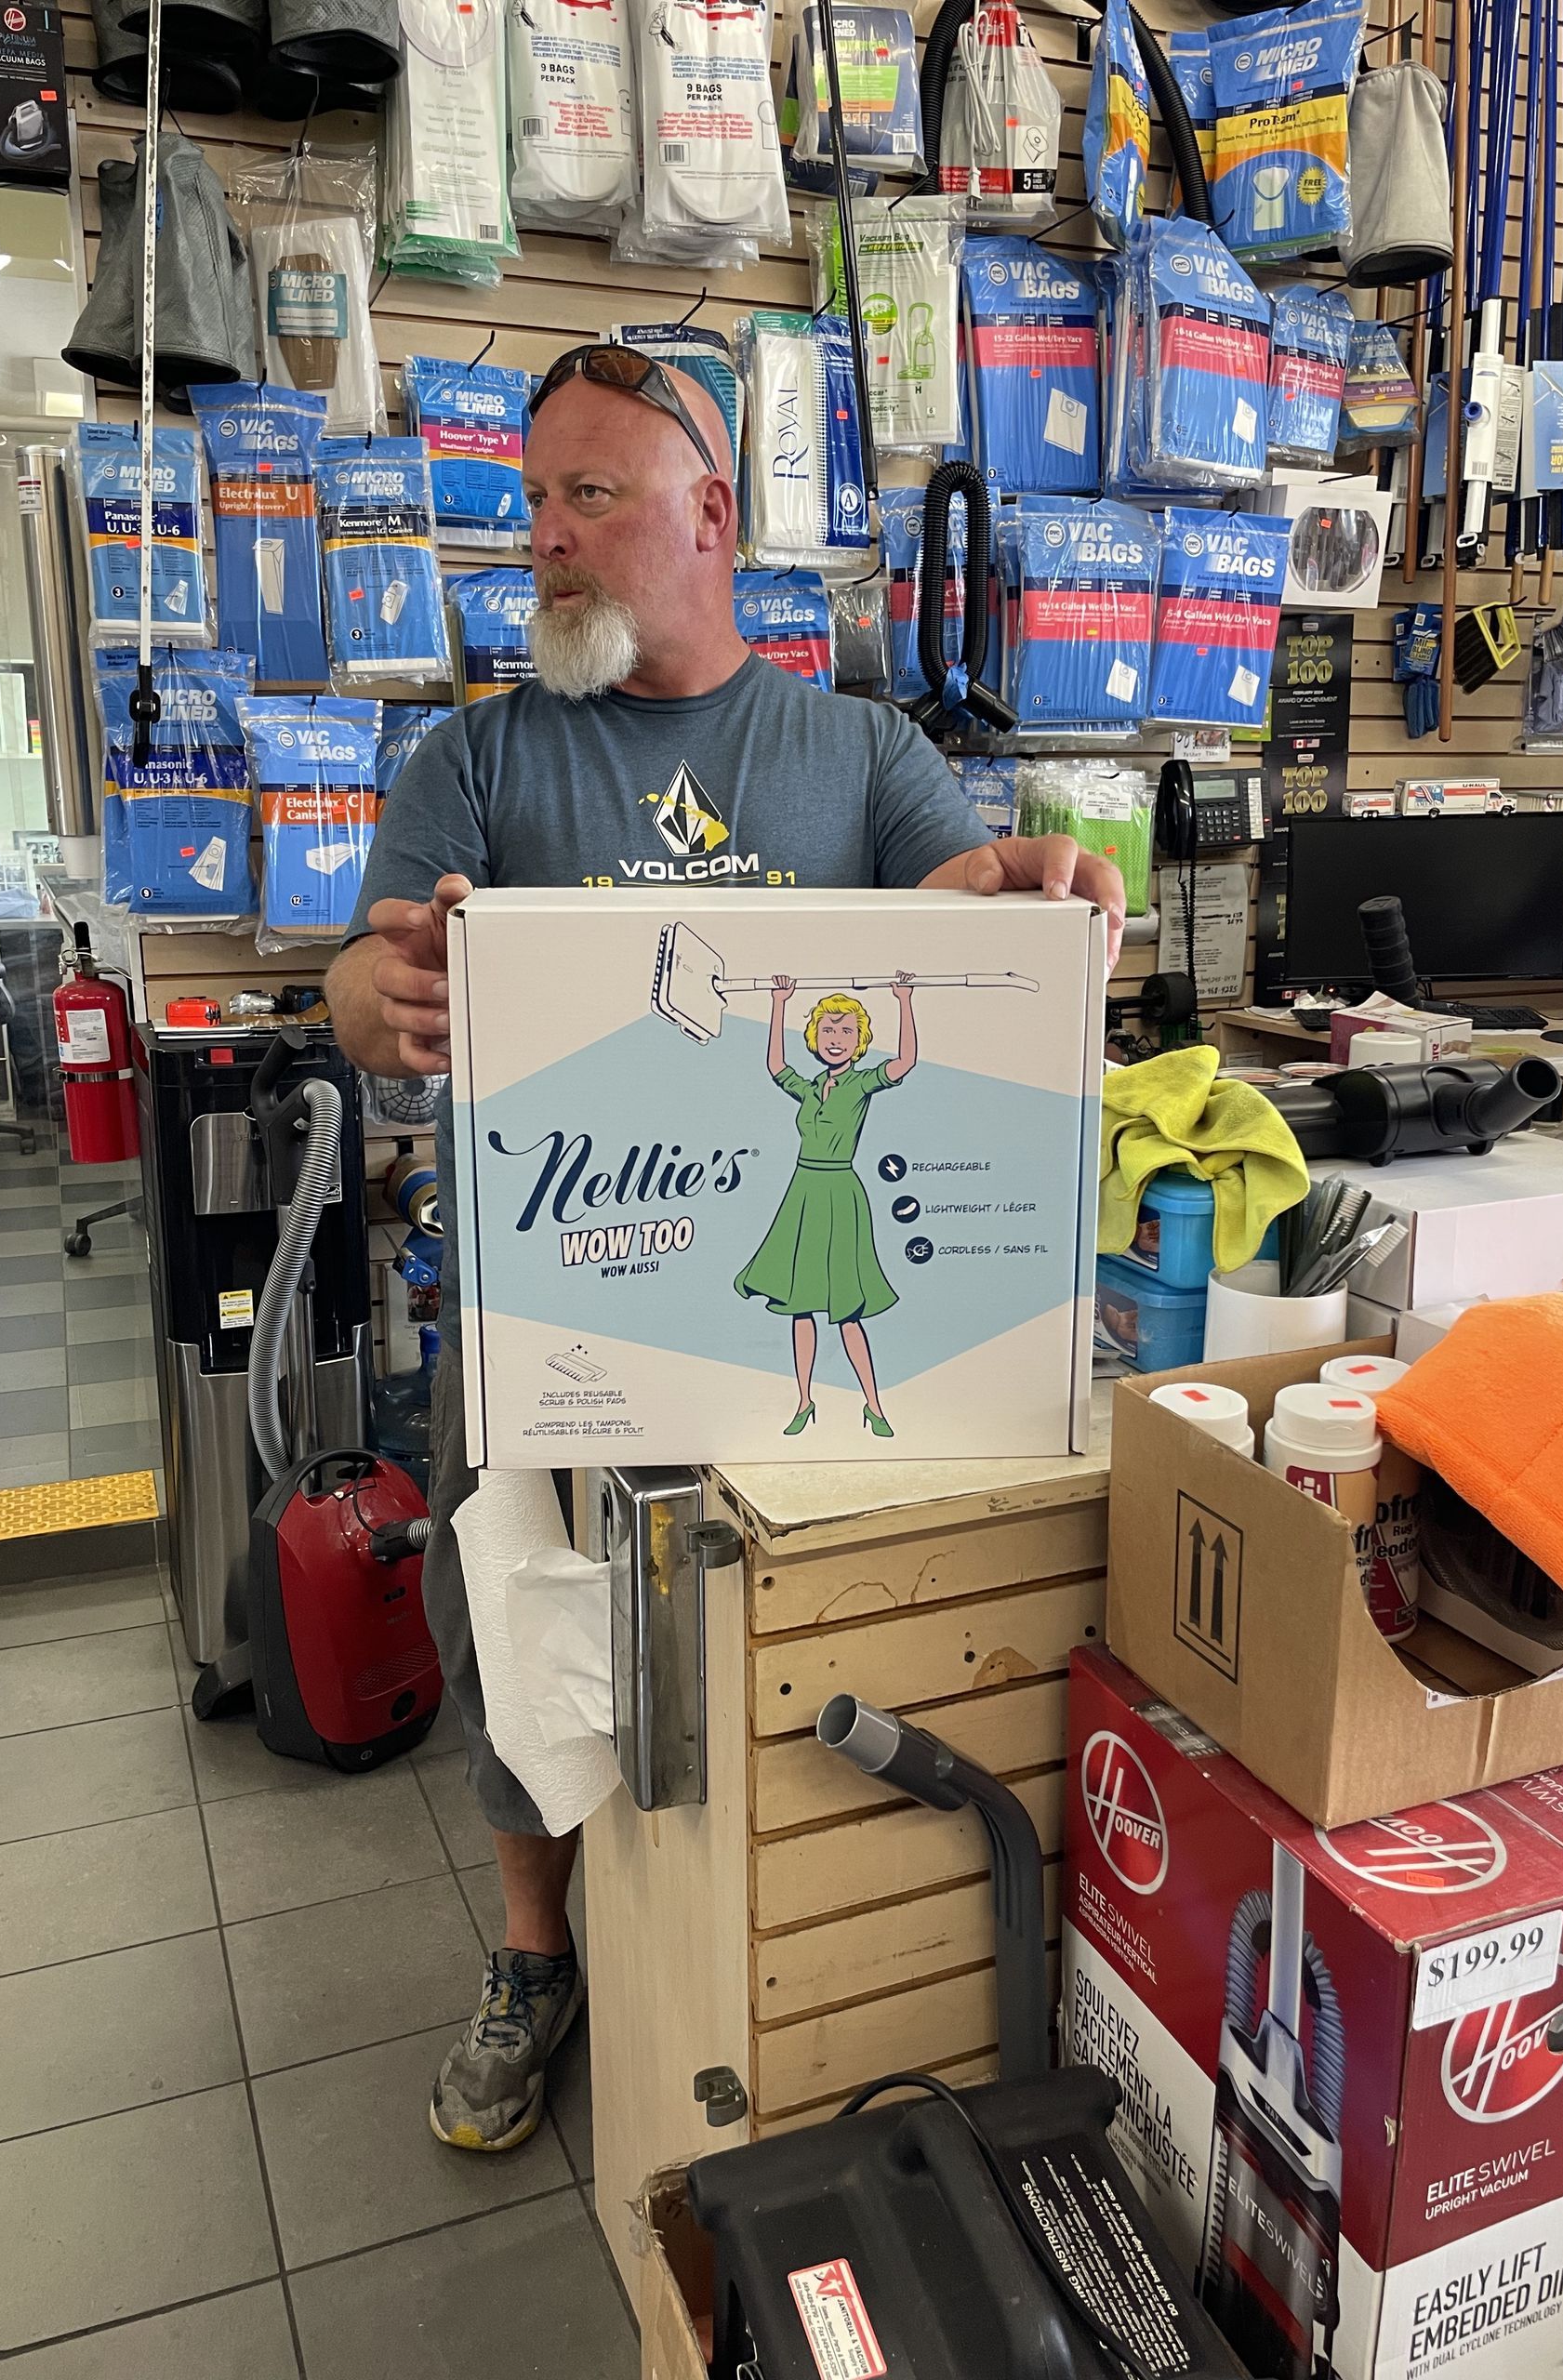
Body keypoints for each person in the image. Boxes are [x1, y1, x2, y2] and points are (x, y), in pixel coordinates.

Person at [326, 344, 1126, 2157]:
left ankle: (759, 1951)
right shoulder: (475, 754)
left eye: (588, 498)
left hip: (778, 1299)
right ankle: (538, 1949)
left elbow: (958, 920)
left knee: (765, 1640)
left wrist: (1030, 910)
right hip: (546, 1305)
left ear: (715, 515)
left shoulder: (859, 751)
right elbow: (363, 991)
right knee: (518, 1625)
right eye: (533, 501)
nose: (544, 540)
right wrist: (374, 994)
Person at [735, 975, 918, 1439]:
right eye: (829, 1032)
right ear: (815, 1039)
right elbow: (776, 1064)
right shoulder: (812, 1087)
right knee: (801, 1305)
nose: (837, 1041)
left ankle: (874, 1405)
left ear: (859, 1042)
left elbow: (905, 1062)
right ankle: (803, 1401)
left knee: (846, 1309)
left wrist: (904, 1001)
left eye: (847, 1032)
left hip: (839, 1194)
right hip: (803, 1191)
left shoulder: (860, 1084)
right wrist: (779, 1004)